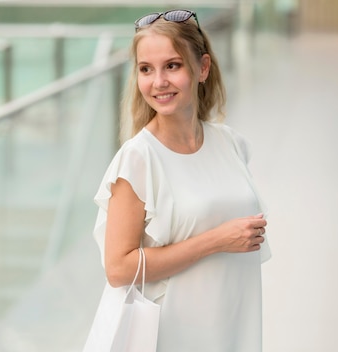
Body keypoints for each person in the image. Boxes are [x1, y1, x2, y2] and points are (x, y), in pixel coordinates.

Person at [88, 9, 271, 352]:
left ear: (202, 68)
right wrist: (216, 240)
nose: (158, 82)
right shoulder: (138, 158)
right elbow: (118, 268)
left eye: (172, 65)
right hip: (175, 332)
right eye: (146, 69)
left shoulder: (230, 143)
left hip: (235, 319)